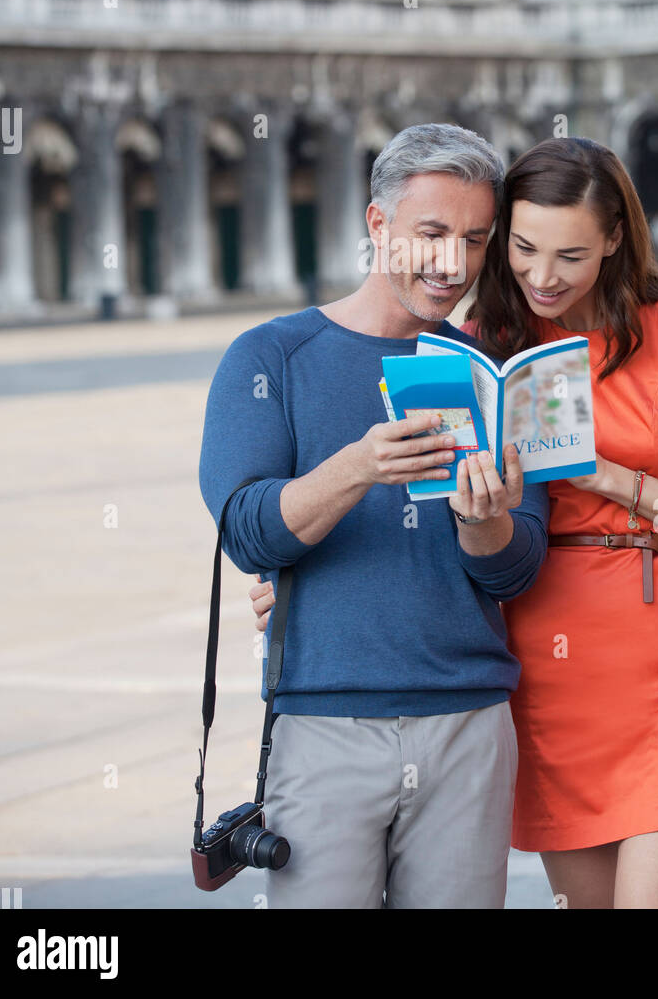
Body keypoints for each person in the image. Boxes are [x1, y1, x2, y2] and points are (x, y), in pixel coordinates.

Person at [252, 135, 658, 909]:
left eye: (570, 255)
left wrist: (610, 478)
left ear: (616, 239)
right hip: (541, 660)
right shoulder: (488, 341)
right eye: (522, 248)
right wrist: (303, 585)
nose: (541, 276)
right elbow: (417, 487)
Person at [199, 123, 549, 909]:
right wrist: (361, 464)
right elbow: (247, 528)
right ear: (377, 224)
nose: (451, 262)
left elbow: (518, 567)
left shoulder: (489, 374)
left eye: (475, 239)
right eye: (430, 232)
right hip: (323, 719)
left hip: (468, 720)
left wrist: (482, 520)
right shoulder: (269, 358)